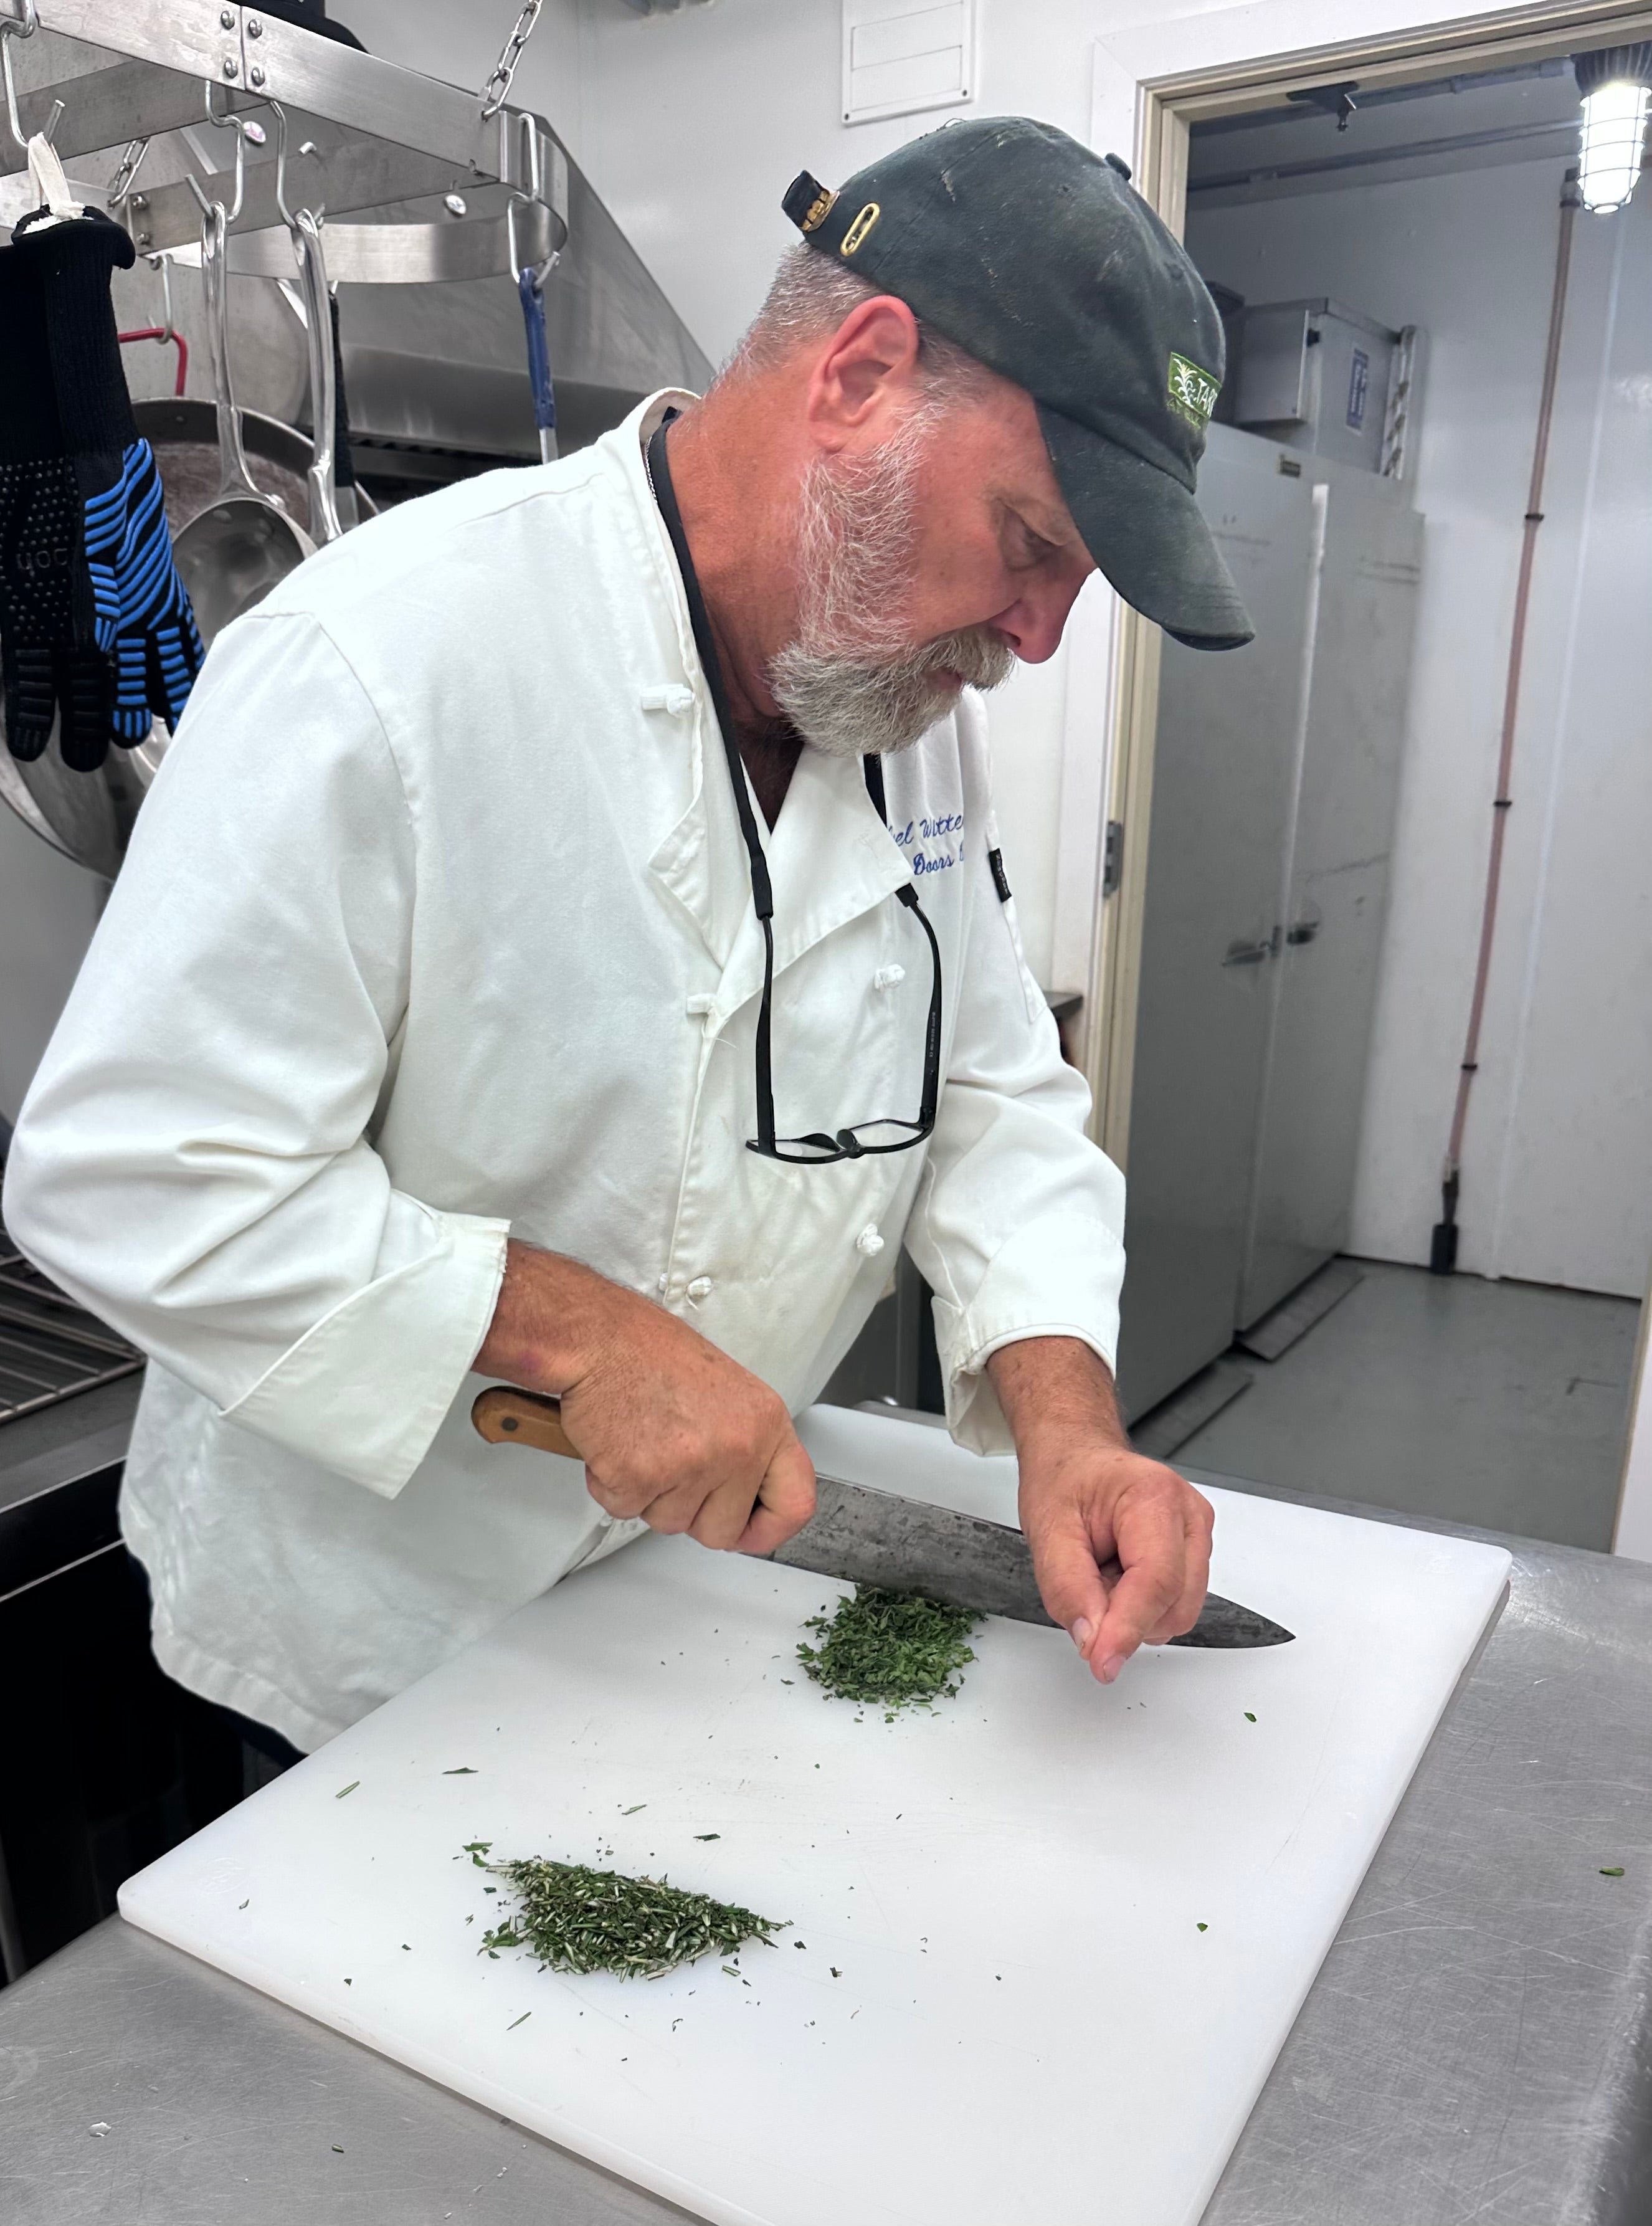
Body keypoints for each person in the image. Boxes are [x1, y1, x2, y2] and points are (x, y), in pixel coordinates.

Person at [2, 118, 1252, 1759]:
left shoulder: (897, 699)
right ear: (862, 374)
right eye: (1032, 543)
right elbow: (133, 1168)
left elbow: (988, 1092)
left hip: (679, 1605)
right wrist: (582, 1333)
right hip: (374, 1639)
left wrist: (1066, 1424)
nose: (1036, 632)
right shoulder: (381, 661)